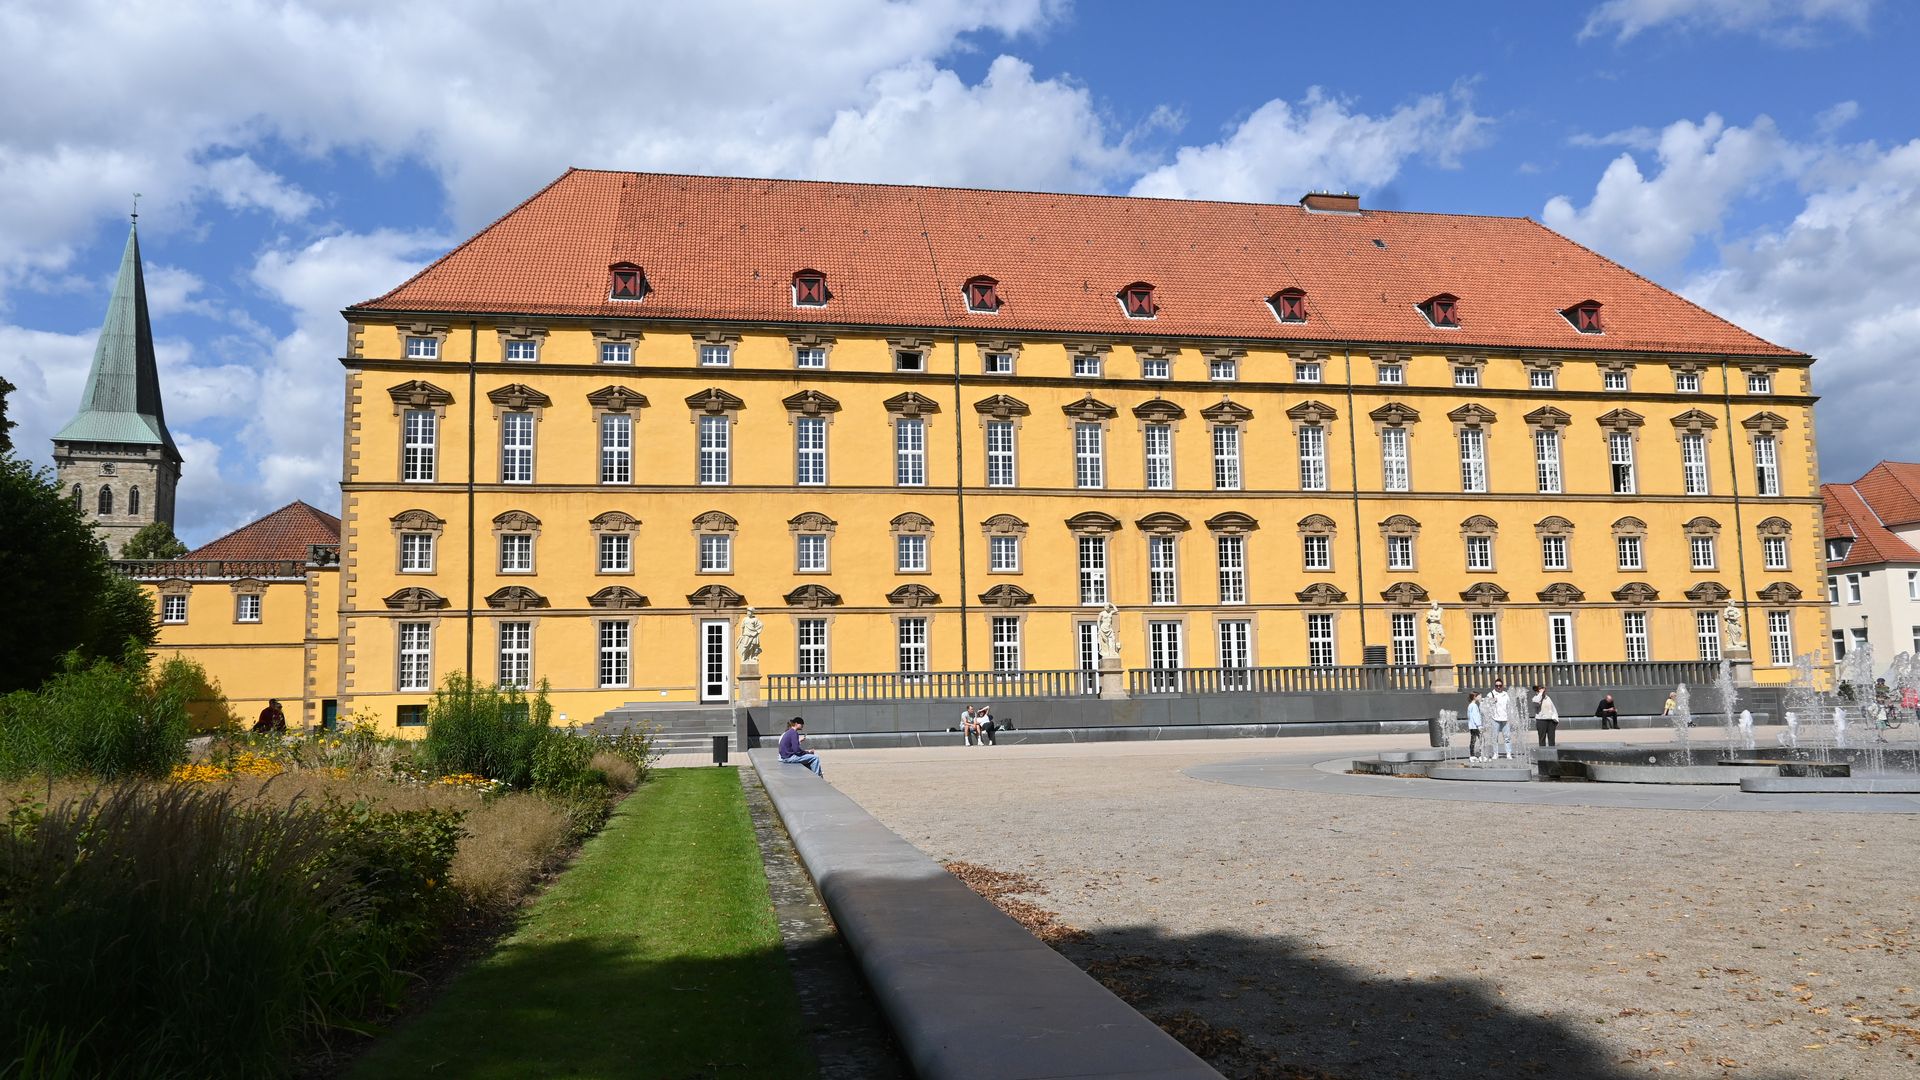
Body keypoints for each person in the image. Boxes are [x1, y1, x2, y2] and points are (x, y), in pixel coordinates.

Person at [1483, 680, 1516, 760]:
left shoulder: (1506, 694)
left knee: (1507, 737)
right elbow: (1485, 705)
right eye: (1497, 685)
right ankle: (1495, 753)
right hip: (1495, 719)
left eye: (1500, 685)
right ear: (1494, 686)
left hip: (1505, 718)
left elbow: (1510, 706)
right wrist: (1491, 701)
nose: (1498, 687)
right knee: (1495, 737)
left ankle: (1508, 753)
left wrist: (1511, 717)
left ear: (1502, 686)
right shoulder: (1491, 694)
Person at [1464, 691, 1485, 762]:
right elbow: (1476, 716)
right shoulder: (1474, 706)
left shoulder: (1470, 705)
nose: (1480, 697)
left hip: (1472, 726)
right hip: (1476, 726)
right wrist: (1479, 725)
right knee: (1482, 740)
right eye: (1478, 696)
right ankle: (1482, 755)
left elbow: (1470, 716)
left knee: (1473, 740)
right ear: (1474, 697)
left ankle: (1472, 755)